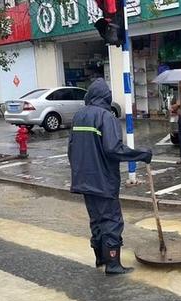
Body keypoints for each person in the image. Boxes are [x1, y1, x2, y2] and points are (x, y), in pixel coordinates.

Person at [68, 78, 152, 275]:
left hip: (83, 179)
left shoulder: (78, 116)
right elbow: (114, 149)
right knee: (112, 220)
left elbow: (71, 149)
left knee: (96, 219)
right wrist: (142, 154)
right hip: (103, 180)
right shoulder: (107, 117)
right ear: (107, 98)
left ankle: (100, 258)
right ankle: (113, 264)